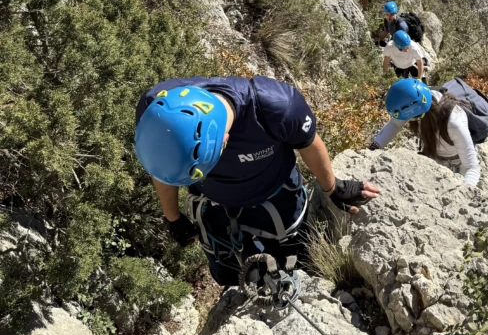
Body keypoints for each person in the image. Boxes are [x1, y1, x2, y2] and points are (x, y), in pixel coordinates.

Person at [134, 75, 381, 285]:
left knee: (296, 262)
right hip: (216, 210)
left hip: (277, 200)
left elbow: (308, 143)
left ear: (224, 141)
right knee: (231, 276)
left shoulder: (276, 107)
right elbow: (162, 169)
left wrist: (333, 187)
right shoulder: (156, 112)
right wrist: (173, 218)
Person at [370, 79, 481, 187]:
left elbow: (471, 167)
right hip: (433, 158)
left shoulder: (453, 123)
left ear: (417, 115)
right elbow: (394, 124)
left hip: (458, 162)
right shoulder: (415, 99)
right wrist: (374, 147)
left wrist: (464, 193)